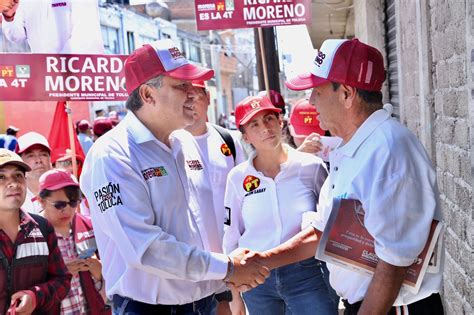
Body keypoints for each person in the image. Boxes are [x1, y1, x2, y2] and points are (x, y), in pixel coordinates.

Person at [238, 38, 445, 315]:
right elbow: (323, 232)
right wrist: (264, 259)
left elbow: (394, 263)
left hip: (394, 307)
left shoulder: (388, 149)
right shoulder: (352, 148)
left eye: (317, 92)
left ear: (346, 94)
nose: (310, 101)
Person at [79, 39, 269, 314]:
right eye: (182, 85)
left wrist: (221, 292)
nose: (193, 93)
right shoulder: (111, 156)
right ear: (147, 95)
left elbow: (203, 228)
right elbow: (146, 249)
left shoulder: (184, 142)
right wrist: (227, 268)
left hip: (205, 303)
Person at [223, 95, 338, 315]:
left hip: (307, 274)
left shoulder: (311, 167)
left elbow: (330, 222)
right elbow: (231, 235)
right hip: (256, 279)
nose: (265, 128)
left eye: (269, 119)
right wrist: (234, 295)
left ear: (280, 121)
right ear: (245, 136)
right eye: (254, 124)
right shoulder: (237, 178)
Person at [185, 80, 247, 314]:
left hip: (230, 257)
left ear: (208, 97)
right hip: (192, 263)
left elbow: (244, 196)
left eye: (196, 96)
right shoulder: (170, 146)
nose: (190, 103)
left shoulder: (228, 140)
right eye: (185, 97)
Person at [0, 148, 71, 314]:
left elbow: (62, 280)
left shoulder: (42, 227)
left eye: (18, 175)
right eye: (1, 177)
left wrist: (34, 297)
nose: (13, 183)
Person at [37, 169, 110, 315]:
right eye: (59, 205)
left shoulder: (91, 227)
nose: (67, 210)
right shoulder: (33, 235)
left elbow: (114, 289)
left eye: (73, 202)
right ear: (41, 201)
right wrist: (59, 277)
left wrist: (100, 273)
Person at [1, 0, 103, 54]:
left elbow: (86, 35)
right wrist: (9, 16)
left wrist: (53, 65)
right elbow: (16, 36)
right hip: (45, 75)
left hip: (78, 72)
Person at [17, 131, 52, 214]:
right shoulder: (12, 196)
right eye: (31, 156)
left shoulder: (63, 192)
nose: (38, 160)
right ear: (19, 161)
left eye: (43, 154)